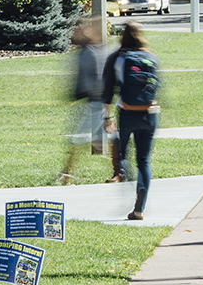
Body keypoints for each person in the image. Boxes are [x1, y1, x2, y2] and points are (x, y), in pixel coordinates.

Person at [102, 21, 161, 220]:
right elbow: (157, 87)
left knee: (124, 155)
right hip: (149, 114)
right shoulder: (151, 58)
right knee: (144, 160)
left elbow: (107, 90)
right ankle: (139, 207)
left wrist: (107, 116)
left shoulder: (117, 58)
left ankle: (125, 180)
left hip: (126, 113)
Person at [60, 17, 107, 184]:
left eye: (77, 31)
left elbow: (98, 78)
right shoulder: (87, 51)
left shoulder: (91, 52)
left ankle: (67, 173)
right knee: (100, 138)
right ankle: (120, 169)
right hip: (92, 102)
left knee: (79, 138)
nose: (73, 34)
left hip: (95, 102)